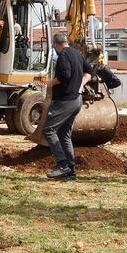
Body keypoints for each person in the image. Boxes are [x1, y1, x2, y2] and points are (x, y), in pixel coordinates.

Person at [41, 32, 90, 181]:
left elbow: (64, 76)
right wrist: (81, 85)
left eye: (54, 47)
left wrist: (50, 83)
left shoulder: (63, 55)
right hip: (77, 100)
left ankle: (62, 164)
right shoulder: (77, 53)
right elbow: (90, 72)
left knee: (48, 130)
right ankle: (70, 171)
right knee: (64, 134)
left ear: (56, 45)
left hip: (65, 101)